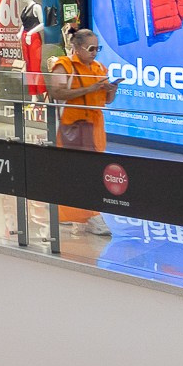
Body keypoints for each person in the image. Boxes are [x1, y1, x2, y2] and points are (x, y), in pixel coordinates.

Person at [46, 26, 116, 237]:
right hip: (71, 126)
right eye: (91, 48)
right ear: (77, 48)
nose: (95, 52)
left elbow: (107, 100)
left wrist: (112, 90)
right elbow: (56, 92)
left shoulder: (99, 68)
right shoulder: (63, 66)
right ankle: (87, 214)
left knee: (92, 170)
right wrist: (89, 89)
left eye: (98, 48)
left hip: (95, 126)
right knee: (73, 171)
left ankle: (78, 214)